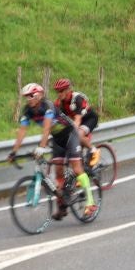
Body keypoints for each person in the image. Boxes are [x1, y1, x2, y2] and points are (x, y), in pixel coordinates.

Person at [47, 78, 99, 219]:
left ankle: (94, 151)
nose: (60, 93)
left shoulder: (77, 99)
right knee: (58, 172)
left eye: (62, 91)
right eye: (58, 91)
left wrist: (72, 137)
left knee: (79, 133)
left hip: (88, 119)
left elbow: (76, 121)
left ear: (68, 90)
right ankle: (62, 207)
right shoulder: (58, 103)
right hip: (70, 128)